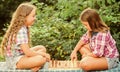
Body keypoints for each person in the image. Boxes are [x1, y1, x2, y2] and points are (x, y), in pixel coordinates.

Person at [0, 2, 50, 72]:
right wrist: (43, 54)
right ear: (24, 17)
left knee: (42, 48)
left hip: (21, 56)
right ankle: (33, 66)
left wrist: (42, 53)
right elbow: (28, 52)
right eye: (33, 16)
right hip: (15, 61)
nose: (35, 18)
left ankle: (34, 66)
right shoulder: (20, 30)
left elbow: (26, 52)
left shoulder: (24, 28)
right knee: (41, 59)